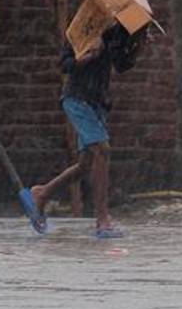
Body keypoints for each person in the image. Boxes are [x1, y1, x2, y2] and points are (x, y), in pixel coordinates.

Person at [30, 23, 149, 238]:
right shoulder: (80, 30)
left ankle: (43, 192)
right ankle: (102, 219)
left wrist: (137, 46)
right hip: (77, 99)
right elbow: (64, 64)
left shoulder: (116, 32)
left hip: (98, 102)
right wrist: (84, 57)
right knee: (102, 150)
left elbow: (120, 64)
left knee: (86, 164)